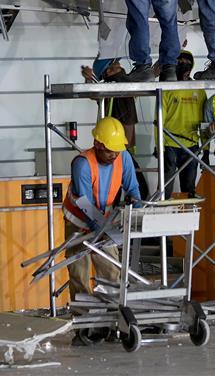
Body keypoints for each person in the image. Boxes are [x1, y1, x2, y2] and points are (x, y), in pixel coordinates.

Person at [61, 117, 141, 297]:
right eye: (110, 151)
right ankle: (83, 317)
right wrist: (103, 230)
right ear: (98, 144)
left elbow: (133, 188)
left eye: (117, 151)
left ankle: (110, 312)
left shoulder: (123, 157)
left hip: (103, 219)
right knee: (79, 274)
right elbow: (85, 205)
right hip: (78, 224)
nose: (114, 155)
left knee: (111, 271)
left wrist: (139, 211)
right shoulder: (82, 164)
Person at [161, 50, 206, 197]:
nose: (184, 65)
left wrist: (206, 149)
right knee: (165, 189)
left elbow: (204, 120)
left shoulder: (198, 89)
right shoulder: (167, 88)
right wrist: (159, 145)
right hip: (170, 144)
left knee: (189, 191)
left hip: (191, 145)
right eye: (180, 62)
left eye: (187, 63)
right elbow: (159, 119)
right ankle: (161, 217)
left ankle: (189, 219)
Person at [81, 58, 138, 149]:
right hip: (113, 141)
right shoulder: (110, 86)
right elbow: (93, 94)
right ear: (109, 71)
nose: (119, 63)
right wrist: (88, 79)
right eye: (115, 63)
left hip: (123, 141)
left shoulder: (125, 82)